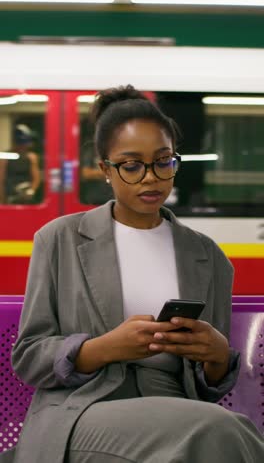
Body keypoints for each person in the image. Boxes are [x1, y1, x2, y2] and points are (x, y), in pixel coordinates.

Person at [2, 85, 263, 463]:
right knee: (220, 430)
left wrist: (218, 356)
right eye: (131, 165)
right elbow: (28, 357)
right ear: (106, 169)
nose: (150, 178)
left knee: (211, 433)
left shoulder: (207, 256)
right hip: (82, 409)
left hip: (175, 411)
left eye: (163, 162)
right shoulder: (59, 239)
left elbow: (208, 386)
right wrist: (101, 349)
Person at [0, 124, 41, 204]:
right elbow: (1, 180)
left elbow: (36, 178)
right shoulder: (6, 156)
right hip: (10, 195)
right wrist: (2, 200)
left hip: (26, 194)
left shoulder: (31, 157)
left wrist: (31, 190)